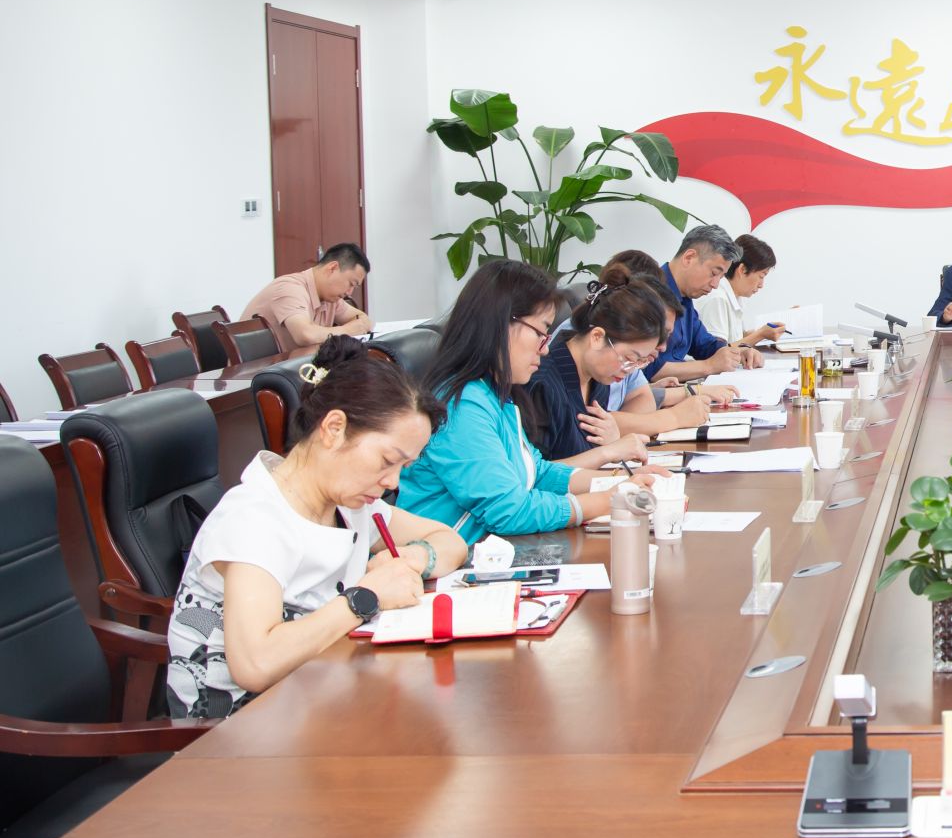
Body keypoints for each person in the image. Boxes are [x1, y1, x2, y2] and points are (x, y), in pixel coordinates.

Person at [164, 336, 468, 717]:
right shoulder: (254, 517)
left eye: (403, 467)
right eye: (387, 460)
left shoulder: (349, 502)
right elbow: (255, 664)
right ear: (334, 428)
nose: (393, 482)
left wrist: (415, 559)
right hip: (239, 729)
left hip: (321, 696)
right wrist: (367, 597)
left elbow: (450, 541)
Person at [399, 260, 663, 540]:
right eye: (540, 333)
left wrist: (621, 483)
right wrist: (605, 500)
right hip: (456, 556)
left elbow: (537, 472)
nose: (545, 348)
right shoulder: (462, 404)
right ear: (501, 323)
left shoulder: (494, 393)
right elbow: (507, 510)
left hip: (494, 549)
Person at [530, 266, 697, 466]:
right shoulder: (542, 384)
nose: (630, 369)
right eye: (629, 358)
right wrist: (610, 450)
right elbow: (536, 474)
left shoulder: (598, 376)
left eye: (640, 362)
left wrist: (614, 442)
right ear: (597, 337)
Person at [648, 225, 764, 384]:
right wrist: (708, 366)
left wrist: (738, 353)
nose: (715, 284)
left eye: (721, 277)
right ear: (689, 258)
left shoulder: (685, 297)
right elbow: (646, 368)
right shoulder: (648, 294)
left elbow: (705, 346)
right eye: (714, 273)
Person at [242, 243, 373, 354]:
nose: (349, 293)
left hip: (293, 367)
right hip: (258, 373)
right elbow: (305, 335)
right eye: (351, 283)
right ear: (332, 268)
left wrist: (358, 325)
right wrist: (347, 331)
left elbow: (363, 319)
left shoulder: (330, 297)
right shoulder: (290, 288)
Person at [699, 234, 788, 348]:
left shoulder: (736, 296)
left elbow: (736, 339)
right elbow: (718, 353)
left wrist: (765, 332)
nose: (761, 285)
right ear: (742, 269)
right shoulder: (717, 298)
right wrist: (761, 334)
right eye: (761, 276)